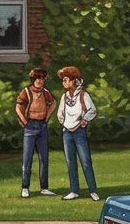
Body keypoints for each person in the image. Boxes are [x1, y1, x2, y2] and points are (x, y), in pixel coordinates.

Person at [56, 66, 100, 201]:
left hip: (79, 132)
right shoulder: (64, 97)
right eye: (63, 81)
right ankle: (74, 190)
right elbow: (60, 114)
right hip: (67, 133)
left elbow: (92, 110)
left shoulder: (83, 95)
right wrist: (65, 124)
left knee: (86, 161)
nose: (64, 83)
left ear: (74, 80)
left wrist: (83, 121)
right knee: (71, 162)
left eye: (66, 80)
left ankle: (93, 190)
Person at [15, 67, 57, 198]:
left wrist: (46, 117)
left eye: (43, 78)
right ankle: (25, 187)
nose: (40, 81)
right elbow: (18, 106)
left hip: (42, 126)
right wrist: (24, 121)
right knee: (27, 159)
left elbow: (53, 103)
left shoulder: (45, 92)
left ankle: (44, 187)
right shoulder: (26, 91)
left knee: (44, 158)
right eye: (38, 78)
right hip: (30, 126)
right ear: (33, 79)